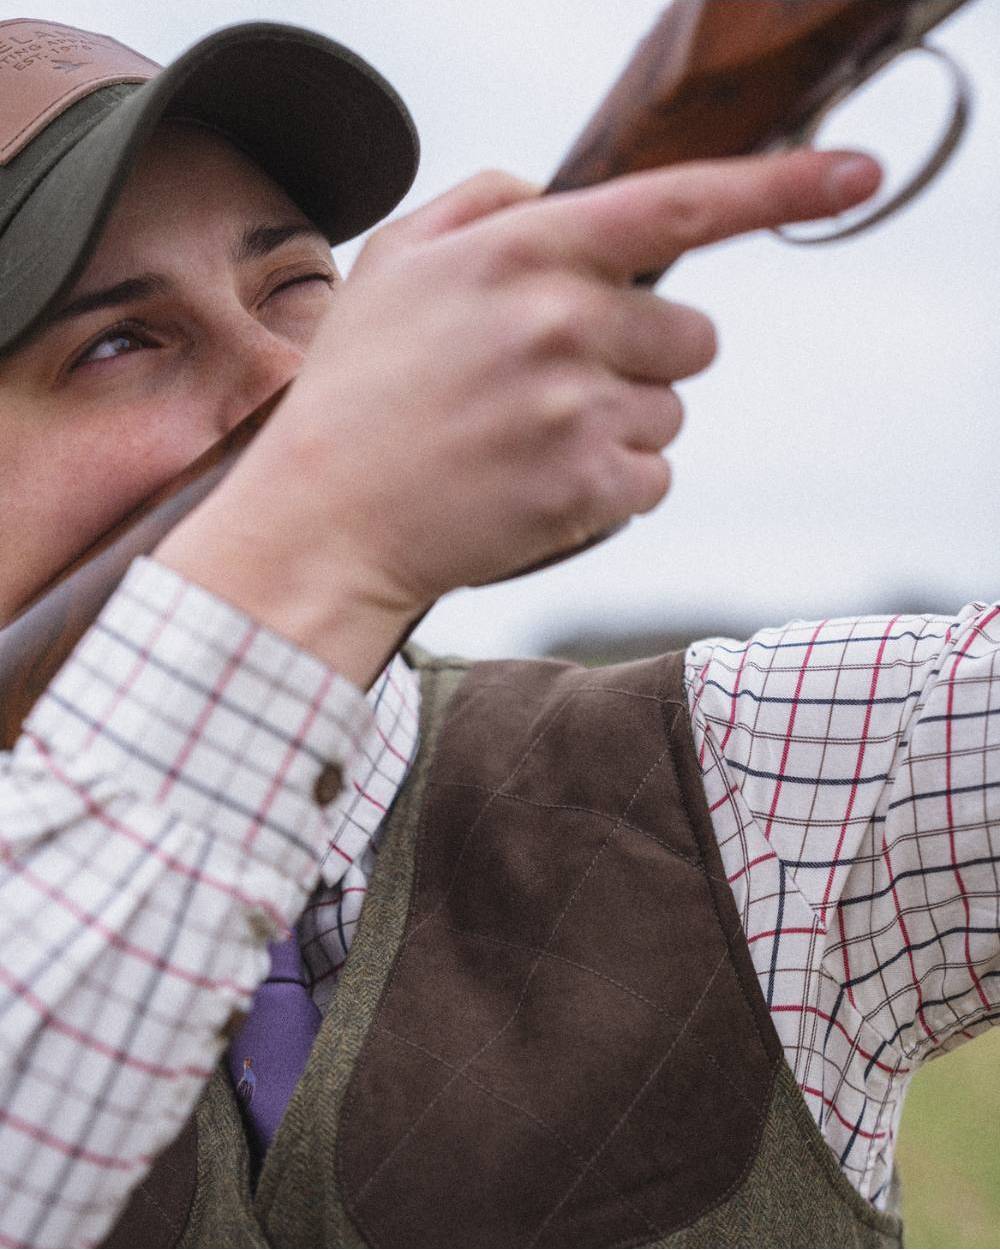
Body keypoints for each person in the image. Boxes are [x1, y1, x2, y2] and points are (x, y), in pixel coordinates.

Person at [0, 15, 995, 1250]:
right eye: (117, 342)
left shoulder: (752, 774)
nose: (291, 386)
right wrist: (321, 541)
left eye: (299, 286)